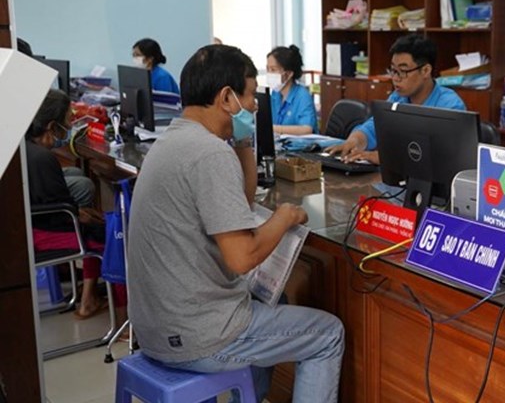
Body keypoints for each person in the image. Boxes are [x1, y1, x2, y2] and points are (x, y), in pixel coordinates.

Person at [127, 44, 344, 402]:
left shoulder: (176, 139)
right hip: (196, 336)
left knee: (273, 304)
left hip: (153, 326)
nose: (256, 104)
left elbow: (237, 204)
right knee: (327, 334)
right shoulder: (210, 154)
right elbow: (243, 257)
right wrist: (284, 216)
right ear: (227, 97)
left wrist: (243, 136)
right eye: (250, 94)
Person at [26, 89, 127, 321]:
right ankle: (122, 316)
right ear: (52, 126)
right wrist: (88, 216)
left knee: (98, 222)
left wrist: (86, 214)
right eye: (67, 122)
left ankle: (88, 298)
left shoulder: (28, 148)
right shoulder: (43, 159)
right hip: (45, 232)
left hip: (38, 226)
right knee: (113, 236)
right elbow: (65, 215)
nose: (70, 125)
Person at [327, 34, 466, 164]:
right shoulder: (398, 98)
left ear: (425, 71)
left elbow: (442, 155)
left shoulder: (450, 106)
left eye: (403, 71)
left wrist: (387, 157)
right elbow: (374, 127)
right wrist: (353, 141)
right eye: (393, 70)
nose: (395, 78)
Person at [268, 45, 318, 135]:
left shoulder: (302, 95)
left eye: (273, 69)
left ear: (289, 74)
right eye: (268, 69)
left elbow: (307, 129)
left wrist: (273, 128)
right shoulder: (275, 93)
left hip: (302, 146)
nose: (269, 73)